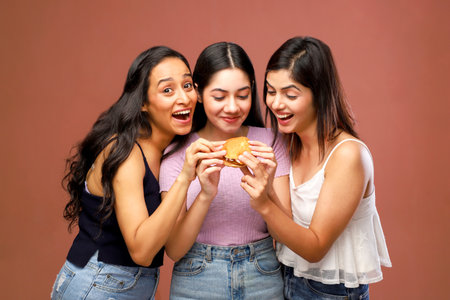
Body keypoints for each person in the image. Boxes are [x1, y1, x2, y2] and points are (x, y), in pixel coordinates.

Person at [238, 37, 392, 299]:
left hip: (331, 292)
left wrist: (264, 203)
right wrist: (268, 192)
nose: (276, 103)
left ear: (319, 94)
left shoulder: (347, 155)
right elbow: (284, 231)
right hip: (286, 279)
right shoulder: (288, 144)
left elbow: (315, 247)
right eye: (271, 91)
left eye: (290, 94)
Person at [51, 46, 202, 299]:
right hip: (97, 285)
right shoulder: (126, 153)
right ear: (142, 103)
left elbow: (170, 240)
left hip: (134, 287)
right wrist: (185, 178)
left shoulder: (171, 148)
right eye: (167, 90)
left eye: (187, 85)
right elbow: (142, 251)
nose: (184, 98)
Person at [159, 42, 291, 299]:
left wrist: (267, 194)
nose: (232, 108)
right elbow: (174, 250)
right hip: (197, 279)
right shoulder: (180, 154)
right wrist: (206, 194)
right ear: (198, 92)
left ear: (253, 90)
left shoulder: (272, 143)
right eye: (219, 97)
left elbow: (285, 236)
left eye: (242, 95)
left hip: (262, 274)